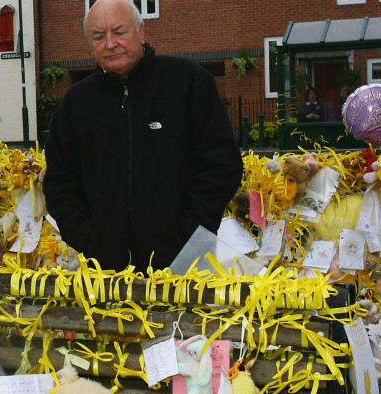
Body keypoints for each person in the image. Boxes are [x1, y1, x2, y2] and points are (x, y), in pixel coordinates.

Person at [43, 0, 242, 271]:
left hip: (187, 261)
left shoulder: (189, 83)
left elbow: (222, 166)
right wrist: (89, 238)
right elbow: (60, 182)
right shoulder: (76, 103)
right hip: (105, 269)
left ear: (141, 32)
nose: (110, 43)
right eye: (99, 37)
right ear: (89, 44)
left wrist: (187, 231)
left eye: (119, 32)